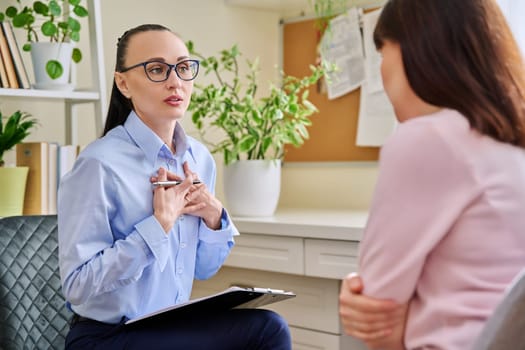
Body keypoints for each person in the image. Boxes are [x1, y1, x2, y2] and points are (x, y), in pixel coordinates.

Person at [57, 24, 291, 350]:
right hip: (105, 338)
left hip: (167, 327)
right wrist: (157, 227)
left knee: (268, 325)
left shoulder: (200, 159)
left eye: (183, 68)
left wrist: (214, 217)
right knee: (268, 333)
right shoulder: (98, 164)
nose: (175, 81)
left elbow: (206, 270)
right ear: (123, 83)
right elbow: (77, 286)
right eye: (156, 69)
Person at [338, 0, 525, 349]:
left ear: (414, 49)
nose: (382, 70)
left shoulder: (428, 139)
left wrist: (367, 299)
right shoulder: (511, 142)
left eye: (382, 53)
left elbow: (376, 319)